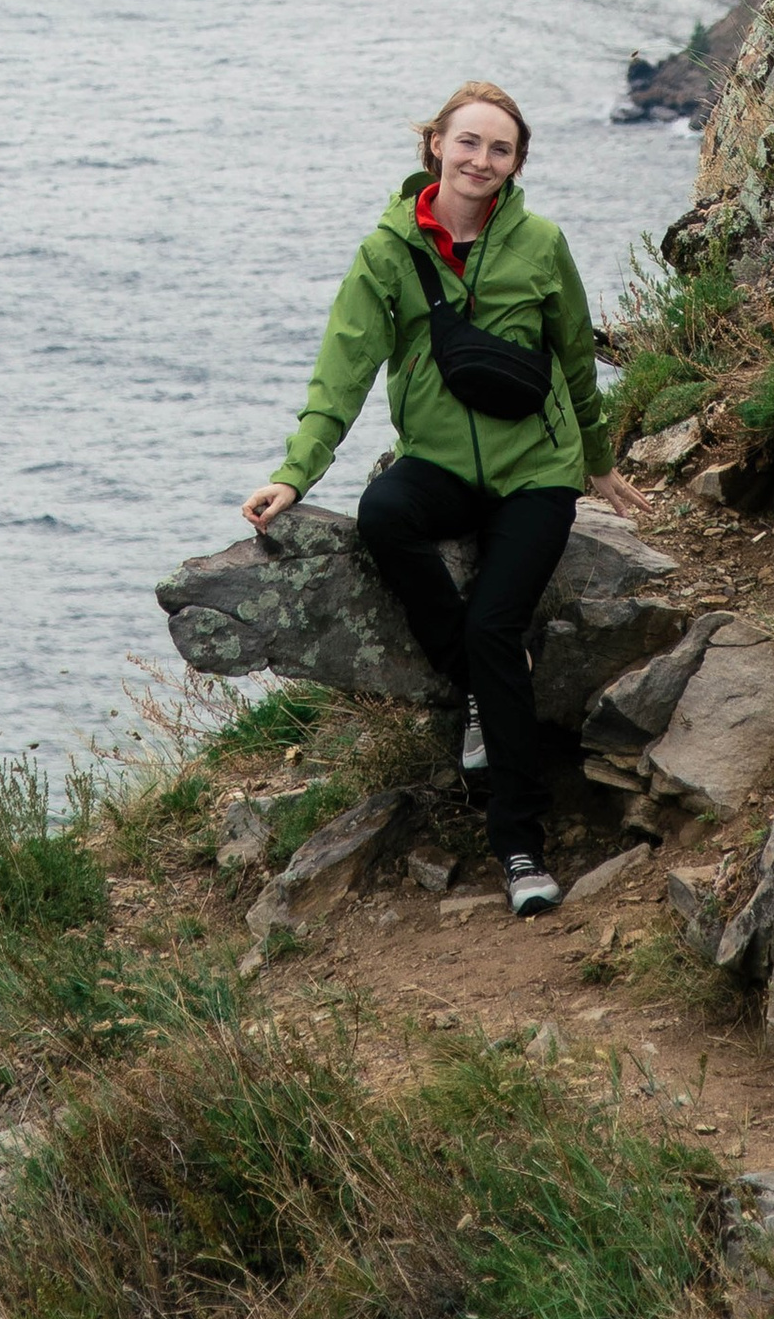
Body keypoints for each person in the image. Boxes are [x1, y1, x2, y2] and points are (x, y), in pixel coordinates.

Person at [241, 79, 635, 918]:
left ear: (517, 162)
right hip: (441, 464)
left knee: (495, 622)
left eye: (500, 149)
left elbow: (572, 356)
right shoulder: (388, 252)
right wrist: (295, 472)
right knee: (385, 515)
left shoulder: (540, 243)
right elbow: (342, 368)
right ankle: (480, 690)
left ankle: (521, 849)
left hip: (535, 473)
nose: (481, 160)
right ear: (435, 148)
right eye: (468, 143)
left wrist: (596, 463)